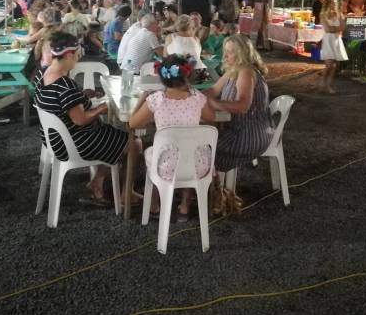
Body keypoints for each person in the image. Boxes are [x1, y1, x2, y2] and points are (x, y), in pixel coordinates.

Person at [34, 32, 136, 205]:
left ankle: (97, 183)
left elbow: (61, 103)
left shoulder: (42, 74)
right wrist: (102, 108)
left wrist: (82, 95)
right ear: (68, 55)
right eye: (77, 55)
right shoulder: (65, 85)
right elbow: (80, 120)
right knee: (134, 143)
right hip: (71, 143)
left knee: (110, 132)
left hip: (53, 139)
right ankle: (126, 194)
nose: (78, 59)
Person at [129, 55, 215, 221]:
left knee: (154, 152)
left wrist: (142, 99)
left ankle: (154, 205)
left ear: (162, 78)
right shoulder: (197, 98)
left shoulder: (156, 100)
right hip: (198, 167)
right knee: (191, 151)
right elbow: (211, 117)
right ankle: (184, 206)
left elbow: (133, 123)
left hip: (165, 167)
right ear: (187, 75)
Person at [205, 35, 273, 176]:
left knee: (200, 145)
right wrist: (191, 97)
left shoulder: (246, 72)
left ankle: (212, 185)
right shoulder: (233, 69)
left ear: (242, 54)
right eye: (225, 51)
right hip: (241, 131)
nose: (225, 56)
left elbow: (242, 106)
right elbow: (213, 90)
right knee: (201, 141)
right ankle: (213, 184)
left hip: (248, 135)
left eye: (230, 52)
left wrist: (213, 103)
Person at [319, 0, 348, 94]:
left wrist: (336, 28)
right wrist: (337, 28)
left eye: (336, 3)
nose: (335, 4)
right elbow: (328, 29)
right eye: (333, 3)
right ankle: (323, 83)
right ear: (328, 4)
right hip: (328, 40)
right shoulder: (323, 14)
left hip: (336, 40)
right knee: (329, 65)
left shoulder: (340, 14)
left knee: (335, 66)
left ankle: (328, 85)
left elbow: (343, 27)